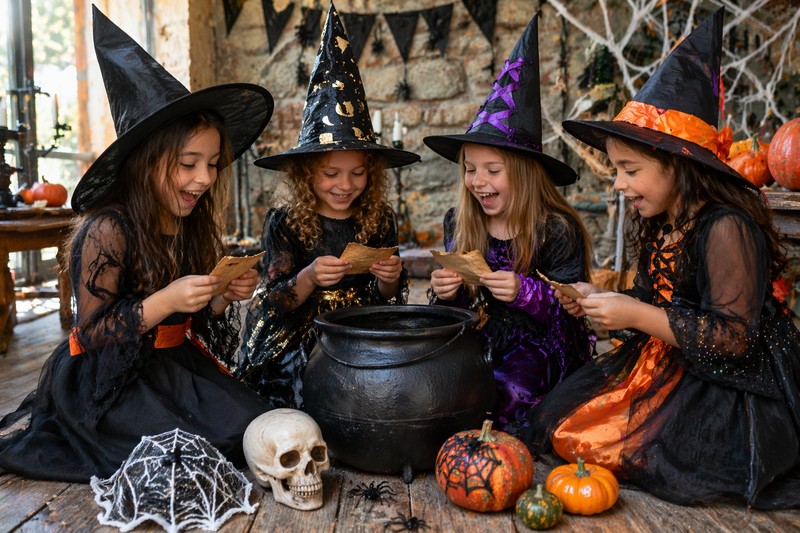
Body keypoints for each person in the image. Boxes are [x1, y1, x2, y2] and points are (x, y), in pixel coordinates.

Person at [523, 8, 800, 509]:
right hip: (662, 364)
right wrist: (606, 303)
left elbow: (734, 338)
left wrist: (636, 315)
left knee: (640, 454)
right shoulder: (665, 222)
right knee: (565, 427)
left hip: (724, 384)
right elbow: (656, 304)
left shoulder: (725, 227)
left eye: (630, 170)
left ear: (679, 166)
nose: (618, 184)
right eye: (616, 169)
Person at [0, 6, 273, 482]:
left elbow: (188, 320)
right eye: (188, 164)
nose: (204, 178)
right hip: (113, 379)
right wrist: (165, 299)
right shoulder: (107, 231)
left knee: (249, 427)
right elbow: (90, 334)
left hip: (173, 365)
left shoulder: (188, 222)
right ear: (147, 164)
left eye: (211, 164)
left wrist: (218, 297)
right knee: (182, 454)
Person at [235, 1, 419, 409]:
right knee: (311, 389)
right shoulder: (285, 221)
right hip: (302, 331)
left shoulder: (378, 216)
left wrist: (389, 276)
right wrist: (311, 276)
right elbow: (275, 300)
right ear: (306, 173)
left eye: (358, 173)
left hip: (362, 330)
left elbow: (387, 295)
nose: (345, 185)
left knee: (392, 387)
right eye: (331, 173)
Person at [423, 13, 595, 433]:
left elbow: (573, 309)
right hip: (481, 338)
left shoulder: (554, 228)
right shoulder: (460, 221)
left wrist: (526, 291)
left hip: (543, 347)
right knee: (438, 385)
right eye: (470, 169)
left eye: (492, 170)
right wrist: (447, 293)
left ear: (524, 173)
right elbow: (459, 311)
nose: (478, 182)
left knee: (506, 393)